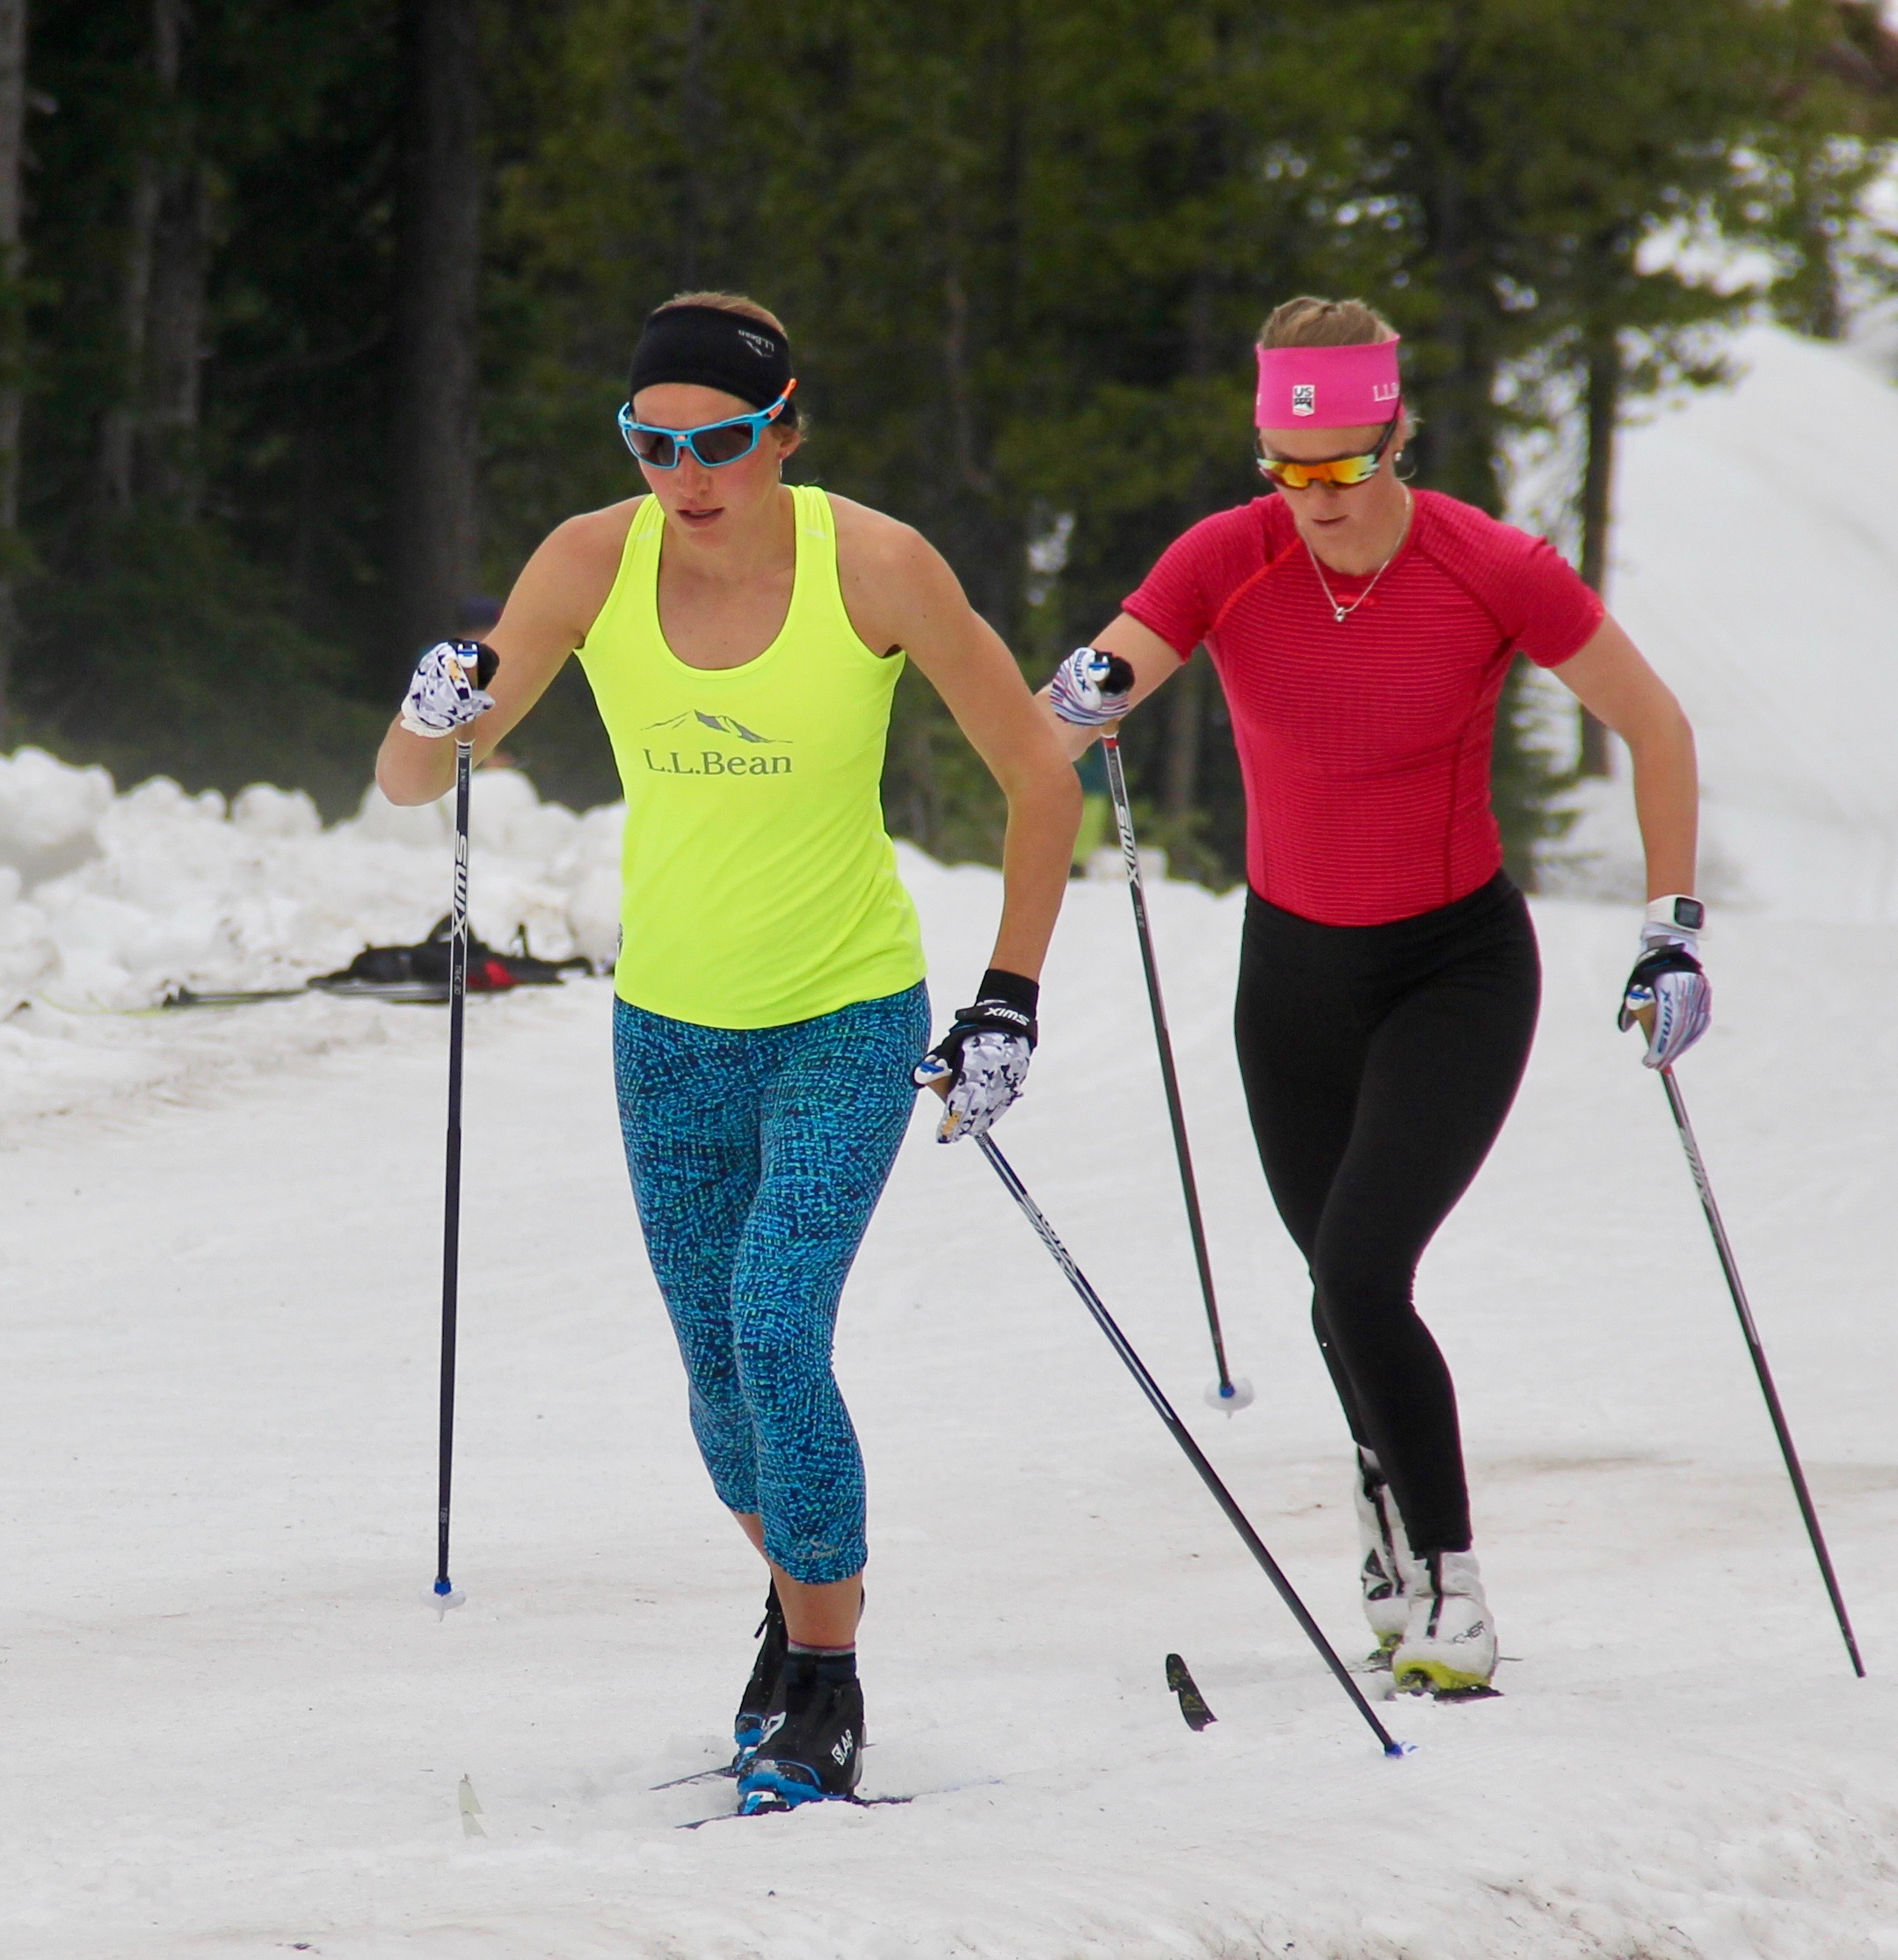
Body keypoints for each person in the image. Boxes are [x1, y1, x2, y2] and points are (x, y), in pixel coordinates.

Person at [376, 292, 1080, 1807]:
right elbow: (415, 776)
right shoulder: (589, 559)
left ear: (786, 429)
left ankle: (825, 1681)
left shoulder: (875, 564)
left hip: (844, 1010)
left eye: (724, 441)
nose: (687, 475)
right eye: (653, 444)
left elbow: (1040, 778)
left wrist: (1010, 993)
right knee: (715, 1386)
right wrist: (429, 710)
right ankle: (799, 1600)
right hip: (669, 1028)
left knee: (775, 1330)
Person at [1041, 295, 1707, 1696]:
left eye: (1347, 468)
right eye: (1290, 472)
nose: (1319, 502)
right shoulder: (1230, 555)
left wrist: (1670, 931)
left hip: (1453, 967)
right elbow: (1088, 700)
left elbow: (1654, 726)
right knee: (1336, 1286)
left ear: (1401, 435)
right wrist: (1078, 695)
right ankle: (1386, 1503)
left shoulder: (1491, 565)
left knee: (1358, 1269)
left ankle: (1455, 1584)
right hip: (1291, 977)